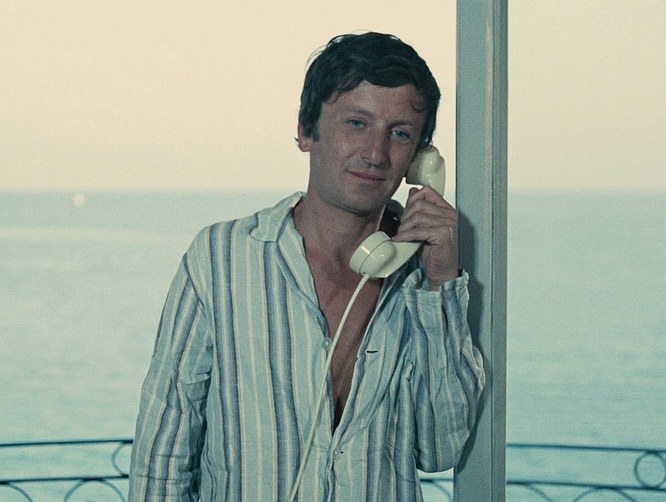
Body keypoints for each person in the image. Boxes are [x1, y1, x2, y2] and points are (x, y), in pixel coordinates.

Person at [128, 32, 485, 501]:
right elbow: (162, 460)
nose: (376, 153)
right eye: (357, 123)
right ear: (305, 130)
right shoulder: (221, 259)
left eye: (399, 133)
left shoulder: (422, 280)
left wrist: (440, 283)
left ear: (420, 160)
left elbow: (440, 449)